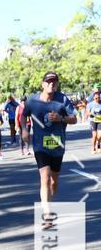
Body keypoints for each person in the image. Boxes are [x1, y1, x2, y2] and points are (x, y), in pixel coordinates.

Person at [24, 71, 77, 229]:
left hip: (57, 145)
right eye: (48, 82)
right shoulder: (32, 100)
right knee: (45, 178)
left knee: (54, 182)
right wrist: (24, 130)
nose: (51, 84)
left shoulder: (62, 100)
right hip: (40, 146)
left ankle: (49, 201)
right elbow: (23, 115)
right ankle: (47, 215)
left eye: (54, 82)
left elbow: (74, 118)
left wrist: (61, 118)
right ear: (43, 84)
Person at [86, 89, 101, 153]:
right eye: (96, 97)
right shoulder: (90, 104)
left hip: (100, 121)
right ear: (94, 98)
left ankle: (99, 145)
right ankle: (93, 148)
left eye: (99, 97)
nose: (97, 98)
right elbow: (87, 113)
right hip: (93, 121)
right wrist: (92, 114)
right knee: (94, 136)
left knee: (100, 135)